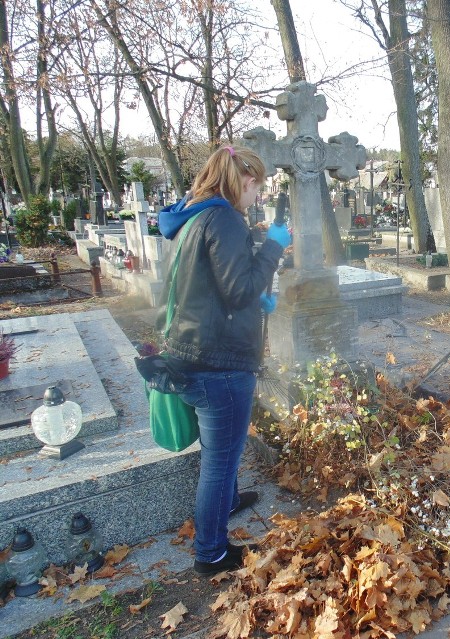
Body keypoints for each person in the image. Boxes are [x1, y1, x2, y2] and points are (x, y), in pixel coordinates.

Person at [156, 146, 291, 575]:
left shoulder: (195, 215)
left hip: (192, 350)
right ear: (245, 180)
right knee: (220, 461)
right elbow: (238, 288)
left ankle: (229, 502)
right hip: (220, 364)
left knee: (220, 453)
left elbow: (213, 288)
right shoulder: (227, 218)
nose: (258, 197)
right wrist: (272, 248)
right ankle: (211, 553)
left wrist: (256, 302)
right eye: (258, 188)